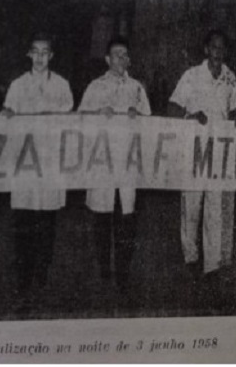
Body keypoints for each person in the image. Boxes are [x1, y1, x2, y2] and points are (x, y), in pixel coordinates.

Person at [168, 29, 236, 278]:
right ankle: (190, 256)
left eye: (222, 48)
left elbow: (234, 110)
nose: (218, 52)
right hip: (193, 150)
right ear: (206, 49)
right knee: (191, 206)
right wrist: (191, 116)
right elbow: (173, 107)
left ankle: (211, 265)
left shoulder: (230, 78)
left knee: (214, 206)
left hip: (219, 153)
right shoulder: (191, 76)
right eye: (214, 47)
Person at [77, 36, 151, 293]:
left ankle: (123, 271)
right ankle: (104, 267)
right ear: (107, 59)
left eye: (125, 54)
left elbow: (152, 126)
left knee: (126, 219)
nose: (122, 59)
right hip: (103, 163)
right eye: (116, 54)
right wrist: (98, 115)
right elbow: (79, 122)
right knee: (102, 218)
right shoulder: (95, 88)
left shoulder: (137, 89)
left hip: (128, 165)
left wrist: (137, 115)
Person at [2, 32, 73, 296]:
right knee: (24, 219)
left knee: (46, 221)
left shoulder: (62, 86)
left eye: (46, 52)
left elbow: (69, 120)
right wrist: (8, 115)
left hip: (50, 162)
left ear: (51, 56)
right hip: (25, 164)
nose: (40, 57)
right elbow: (7, 116)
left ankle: (41, 270)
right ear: (29, 54)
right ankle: (23, 273)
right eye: (36, 51)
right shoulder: (17, 85)